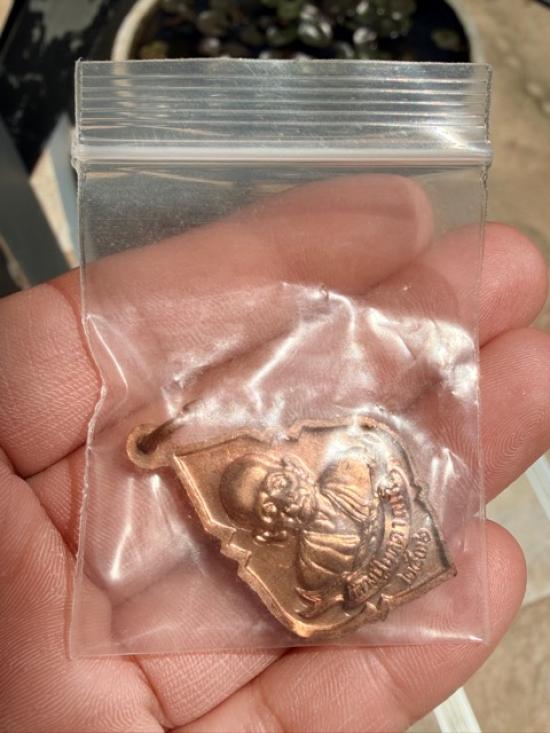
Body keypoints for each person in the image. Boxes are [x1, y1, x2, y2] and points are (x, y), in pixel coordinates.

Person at [0, 174, 549, 732]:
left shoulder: (354, 470)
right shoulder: (310, 569)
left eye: (276, 481)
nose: (280, 498)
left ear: (291, 468)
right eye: (266, 502)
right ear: (263, 525)